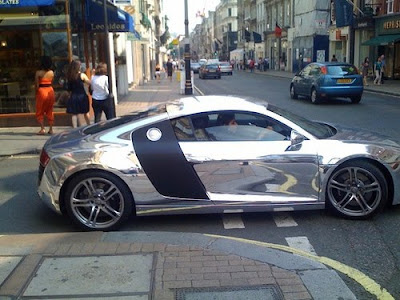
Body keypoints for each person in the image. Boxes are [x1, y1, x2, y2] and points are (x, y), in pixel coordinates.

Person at [66, 60, 91, 128]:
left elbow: (69, 88)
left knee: (74, 114)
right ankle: (89, 125)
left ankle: (75, 128)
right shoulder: (82, 75)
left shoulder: (70, 76)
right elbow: (89, 82)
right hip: (82, 96)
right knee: (86, 112)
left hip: (73, 96)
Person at [35, 56, 55, 135]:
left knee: (40, 110)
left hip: (42, 91)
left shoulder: (38, 73)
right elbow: (51, 82)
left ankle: (42, 128)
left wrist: (36, 92)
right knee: (50, 110)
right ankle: (51, 129)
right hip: (50, 90)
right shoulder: (51, 72)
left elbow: (37, 85)